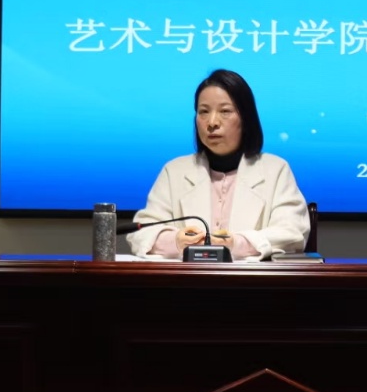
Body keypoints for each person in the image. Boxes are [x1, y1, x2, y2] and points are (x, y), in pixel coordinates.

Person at [127, 69, 309, 261]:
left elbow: (293, 233)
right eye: (203, 112)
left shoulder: (275, 170)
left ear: (246, 118)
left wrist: (237, 244)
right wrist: (176, 241)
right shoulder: (175, 171)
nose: (212, 122)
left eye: (225, 111)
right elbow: (141, 233)